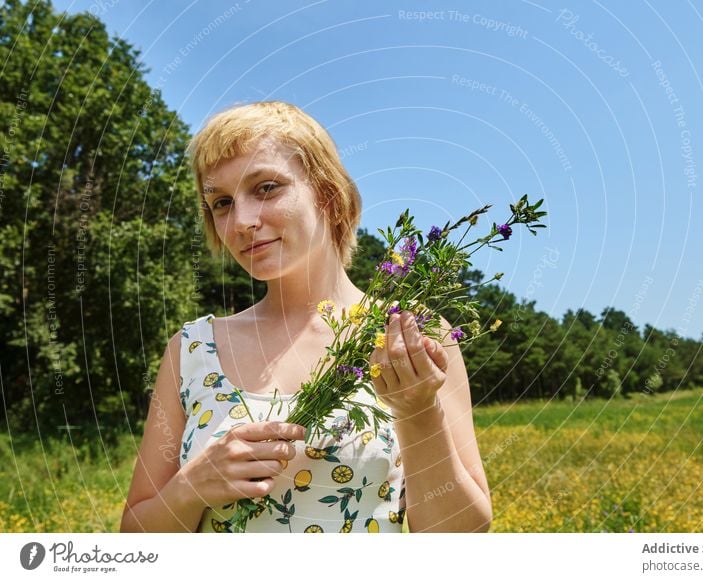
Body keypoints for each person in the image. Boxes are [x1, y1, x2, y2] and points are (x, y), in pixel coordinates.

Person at [120, 101, 492, 533]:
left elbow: (460, 537)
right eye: (221, 203)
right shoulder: (191, 351)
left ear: (328, 194)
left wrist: (419, 410)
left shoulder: (410, 336)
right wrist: (192, 487)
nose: (241, 221)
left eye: (265, 188)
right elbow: (135, 536)